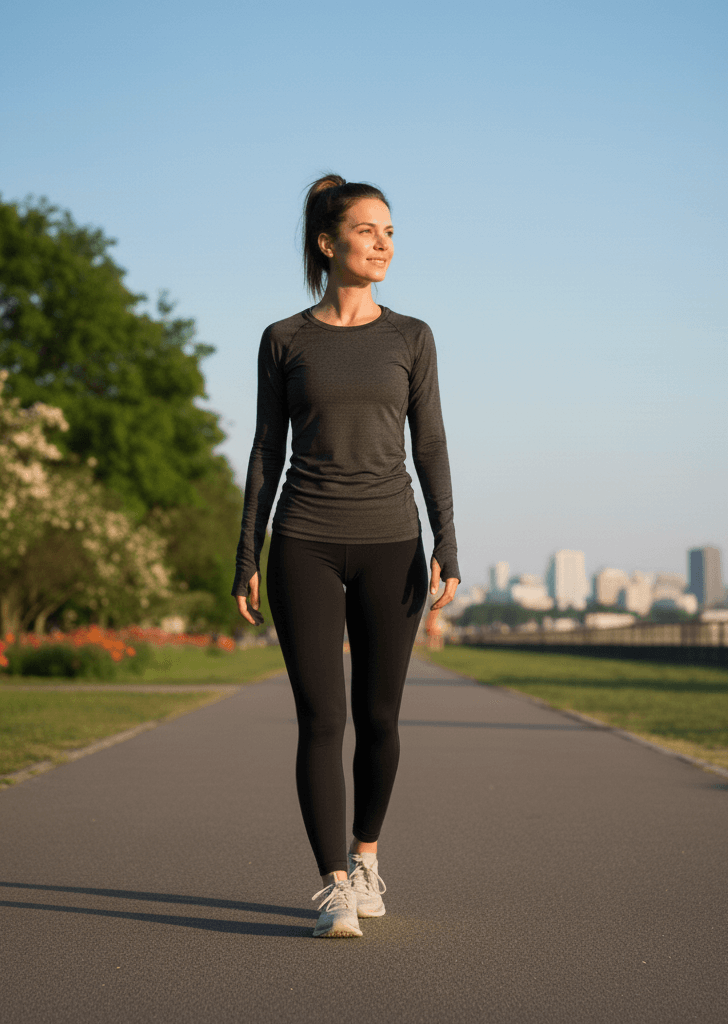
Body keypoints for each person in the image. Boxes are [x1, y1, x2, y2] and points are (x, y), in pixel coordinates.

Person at [233, 174, 460, 938]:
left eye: (390, 231)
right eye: (368, 231)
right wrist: (247, 556)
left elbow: (428, 444)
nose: (384, 243)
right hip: (305, 542)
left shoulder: (411, 337)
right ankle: (333, 881)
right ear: (327, 243)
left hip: (393, 541)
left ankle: (366, 857)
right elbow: (266, 452)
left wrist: (447, 543)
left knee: (381, 717)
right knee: (321, 719)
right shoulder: (284, 339)